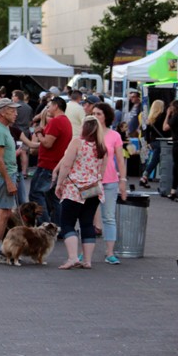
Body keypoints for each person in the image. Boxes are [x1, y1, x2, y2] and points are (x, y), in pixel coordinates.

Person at [54, 115, 108, 269]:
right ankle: (87, 260)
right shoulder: (102, 147)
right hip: (93, 187)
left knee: (67, 222)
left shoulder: (77, 143)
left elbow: (66, 165)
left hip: (74, 187)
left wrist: (59, 184)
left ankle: (72, 258)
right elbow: (102, 172)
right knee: (87, 222)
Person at [92, 102, 128, 264]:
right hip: (91, 181)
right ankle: (83, 252)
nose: (96, 116)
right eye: (93, 113)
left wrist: (123, 181)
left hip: (110, 181)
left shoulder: (114, 136)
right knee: (86, 217)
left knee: (109, 217)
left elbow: (120, 160)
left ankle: (110, 252)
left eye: (99, 113)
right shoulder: (88, 134)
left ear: (106, 116)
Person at [0, 98, 21, 264]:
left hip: (6, 173)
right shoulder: (0, 130)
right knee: (2, 213)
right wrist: (9, 181)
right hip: (3, 175)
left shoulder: (4, 128)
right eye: (12, 110)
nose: (16, 113)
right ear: (2, 112)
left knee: (5, 212)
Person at [29, 97, 73, 225]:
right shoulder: (66, 122)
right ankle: (58, 226)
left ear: (56, 106)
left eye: (49, 106)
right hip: (56, 164)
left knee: (36, 194)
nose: (47, 109)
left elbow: (48, 143)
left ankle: (45, 225)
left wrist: (38, 133)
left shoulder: (56, 122)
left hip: (47, 164)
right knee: (54, 197)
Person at [140, 100, 167, 188]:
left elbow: (146, 132)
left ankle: (144, 177)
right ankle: (145, 177)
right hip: (162, 141)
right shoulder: (163, 117)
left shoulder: (150, 119)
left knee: (155, 160)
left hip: (153, 142)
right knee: (158, 161)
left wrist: (148, 143)